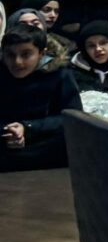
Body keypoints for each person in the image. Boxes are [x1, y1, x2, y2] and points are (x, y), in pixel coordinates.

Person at [0, 27, 82, 173]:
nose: (17, 62)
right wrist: (9, 131)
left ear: (41, 53)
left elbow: (72, 117)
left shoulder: (60, 75)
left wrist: (28, 127)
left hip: (46, 149)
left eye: (26, 54)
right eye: (10, 55)